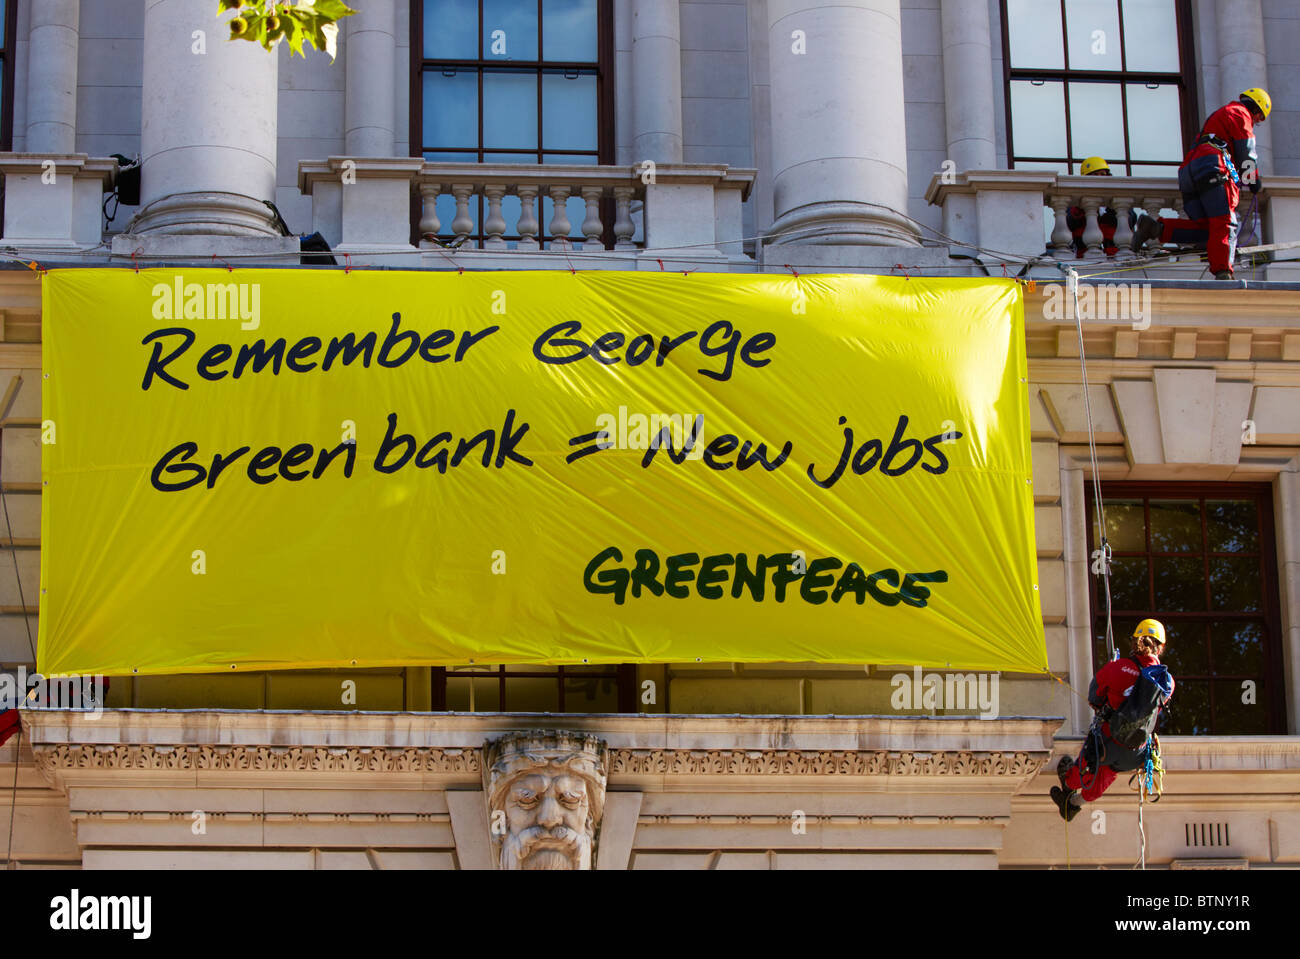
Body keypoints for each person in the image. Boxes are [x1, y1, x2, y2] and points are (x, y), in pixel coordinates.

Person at [1131, 88, 1271, 279]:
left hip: (1191, 171)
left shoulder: (1219, 116)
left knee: (1208, 230)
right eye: (1258, 118)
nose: (1256, 122)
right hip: (1212, 166)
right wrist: (1251, 179)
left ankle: (1155, 229)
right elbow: (1246, 151)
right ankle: (1223, 272)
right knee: (1225, 222)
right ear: (1255, 109)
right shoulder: (1239, 113)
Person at [1051, 619, 1174, 822]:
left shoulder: (1117, 668)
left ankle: (1069, 783)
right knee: (1107, 774)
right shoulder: (1167, 681)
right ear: (1161, 648)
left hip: (1108, 742)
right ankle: (1073, 805)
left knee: (1089, 766)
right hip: (1136, 751)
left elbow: (1094, 698)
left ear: (1135, 642)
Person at [1066, 157, 1118, 257]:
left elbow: (1130, 219)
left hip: (1115, 255)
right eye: (1095, 175)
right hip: (1085, 255)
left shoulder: (1117, 199)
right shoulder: (1077, 201)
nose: (1099, 178)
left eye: (1102, 174)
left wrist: (1109, 216)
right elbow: (1069, 222)